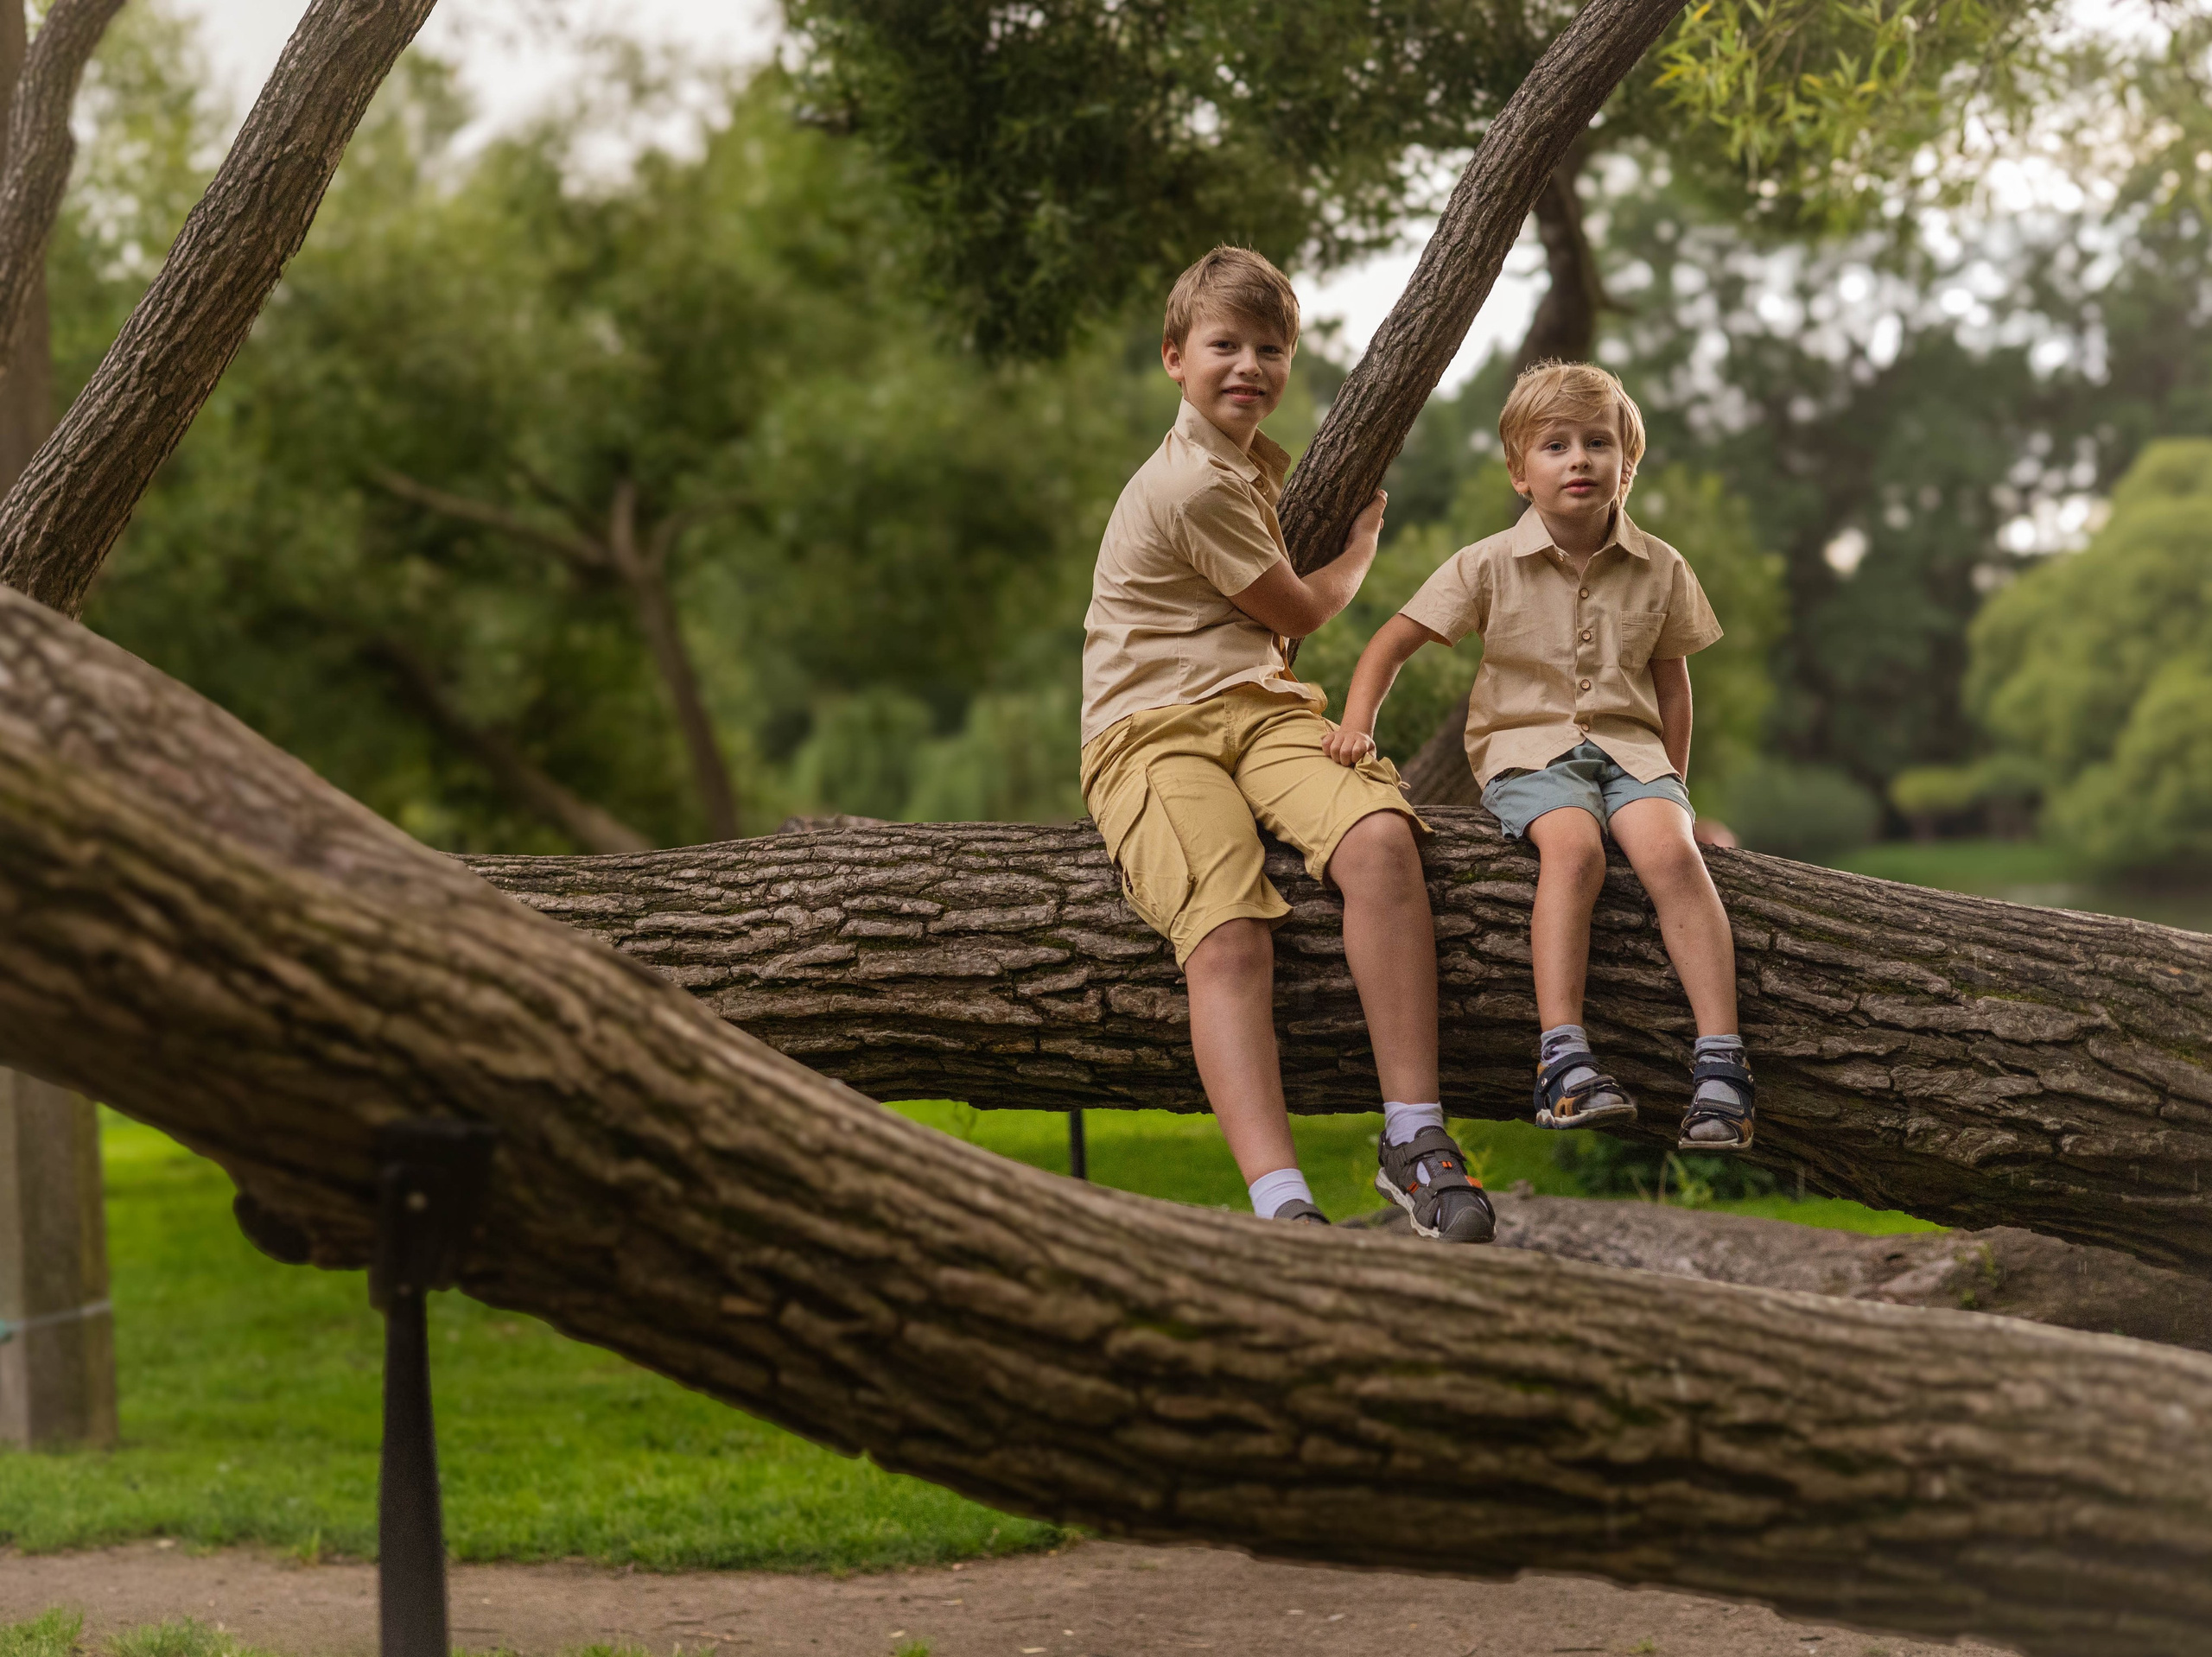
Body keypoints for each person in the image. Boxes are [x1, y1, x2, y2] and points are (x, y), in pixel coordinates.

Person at [1080, 245, 1494, 1241]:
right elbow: (1303, 603)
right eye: (1224, 345)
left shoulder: (1240, 463)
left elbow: (1270, 633)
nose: (1249, 368)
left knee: (1381, 842)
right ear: (1174, 357)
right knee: (1227, 934)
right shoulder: (1188, 486)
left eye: (1270, 349)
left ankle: (1414, 1138)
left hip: (1257, 707)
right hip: (1148, 729)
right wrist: (1364, 548)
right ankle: (1281, 1205)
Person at [1325, 361, 1756, 1150]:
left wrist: (1672, 788)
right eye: (1555, 446)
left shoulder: (1662, 565)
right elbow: (1393, 642)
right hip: (1528, 752)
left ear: (1628, 463)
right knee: (1575, 850)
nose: (1579, 459)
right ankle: (1563, 1058)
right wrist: (1357, 725)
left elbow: (1674, 689)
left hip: (1632, 753)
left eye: (1598, 443)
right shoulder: (1485, 563)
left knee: (1673, 854)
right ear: (1521, 474)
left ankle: (1721, 1064)